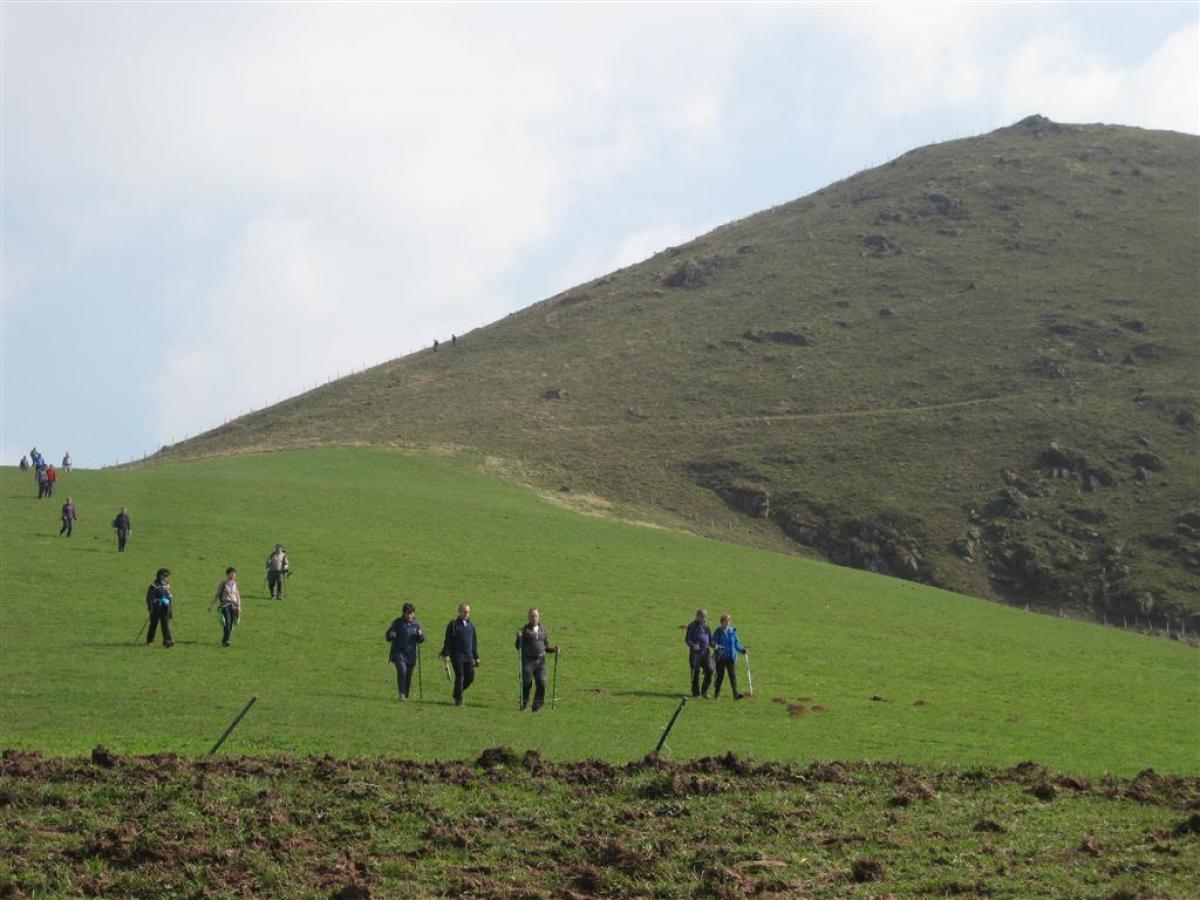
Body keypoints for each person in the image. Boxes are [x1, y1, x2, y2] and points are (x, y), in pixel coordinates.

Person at [515, 608, 558, 712]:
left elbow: (545, 647)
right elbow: (518, 646)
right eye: (532, 616)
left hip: (540, 661)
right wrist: (519, 638)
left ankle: (537, 706)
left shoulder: (543, 631)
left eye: (536, 616)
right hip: (528, 661)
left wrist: (554, 650)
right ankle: (524, 704)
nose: (534, 618)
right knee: (526, 683)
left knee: (542, 682)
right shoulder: (524, 631)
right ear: (528, 618)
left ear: (539, 617)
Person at [440, 603, 479, 706]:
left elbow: (474, 643)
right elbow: (448, 640)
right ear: (459, 612)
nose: (466, 614)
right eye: (464, 612)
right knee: (460, 675)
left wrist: (476, 657)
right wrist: (446, 654)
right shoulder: (453, 625)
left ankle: (457, 693)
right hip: (457, 655)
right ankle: (459, 700)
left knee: (470, 677)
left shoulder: (471, 626)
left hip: (468, 656)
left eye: (468, 612)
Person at [385, 602, 426, 701]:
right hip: (398, 652)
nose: (410, 615)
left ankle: (406, 695)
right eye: (408, 613)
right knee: (402, 670)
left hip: (411, 654)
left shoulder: (416, 624)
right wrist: (391, 635)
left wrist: (420, 635)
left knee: (408, 675)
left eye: (411, 613)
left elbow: (422, 640)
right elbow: (388, 635)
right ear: (404, 613)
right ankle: (402, 694)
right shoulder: (398, 622)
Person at [712, 614, 748, 700]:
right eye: (725, 621)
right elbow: (713, 642)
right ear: (722, 622)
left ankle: (735, 694)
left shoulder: (732, 631)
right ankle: (717, 694)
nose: (727, 623)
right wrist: (719, 648)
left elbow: (736, 644)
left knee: (732, 675)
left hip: (730, 657)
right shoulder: (718, 631)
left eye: (729, 621)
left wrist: (742, 650)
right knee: (720, 675)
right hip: (721, 657)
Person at [209, 567, 242, 647]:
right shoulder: (223, 584)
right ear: (227, 574)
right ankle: (227, 640)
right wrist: (211, 605)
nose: (233, 575)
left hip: (234, 606)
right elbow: (218, 594)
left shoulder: (235, 584)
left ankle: (225, 640)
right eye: (231, 573)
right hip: (225, 605)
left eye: (234, 574)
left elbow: (237, 595)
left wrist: (239, 606)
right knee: (227, 623)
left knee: (231, 624)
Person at [685, 608, 714, 698]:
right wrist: (693, 645)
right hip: (695, 654)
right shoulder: (692, 626)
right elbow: (687, 640)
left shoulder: (707, 627)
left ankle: (704, 691)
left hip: (706, 654)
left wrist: (716, 646)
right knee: (695, 672)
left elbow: (710, 640)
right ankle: (696, 693)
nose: (703, 618)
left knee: (710, 669)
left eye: (704, 617)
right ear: (697, 616)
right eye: (701, 616)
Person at [144, 568, 175, 648]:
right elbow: (149, 598)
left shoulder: (167, 586)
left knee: (165, 624)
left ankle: (167, 640)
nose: (167, 578)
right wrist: (150, 608)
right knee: (153, 624)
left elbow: (169, 599)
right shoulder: (154, 586)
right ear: (160, 576)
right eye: (165, 576)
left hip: (165, 608)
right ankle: (150, 640)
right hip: (156, 608)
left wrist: (170, 611)